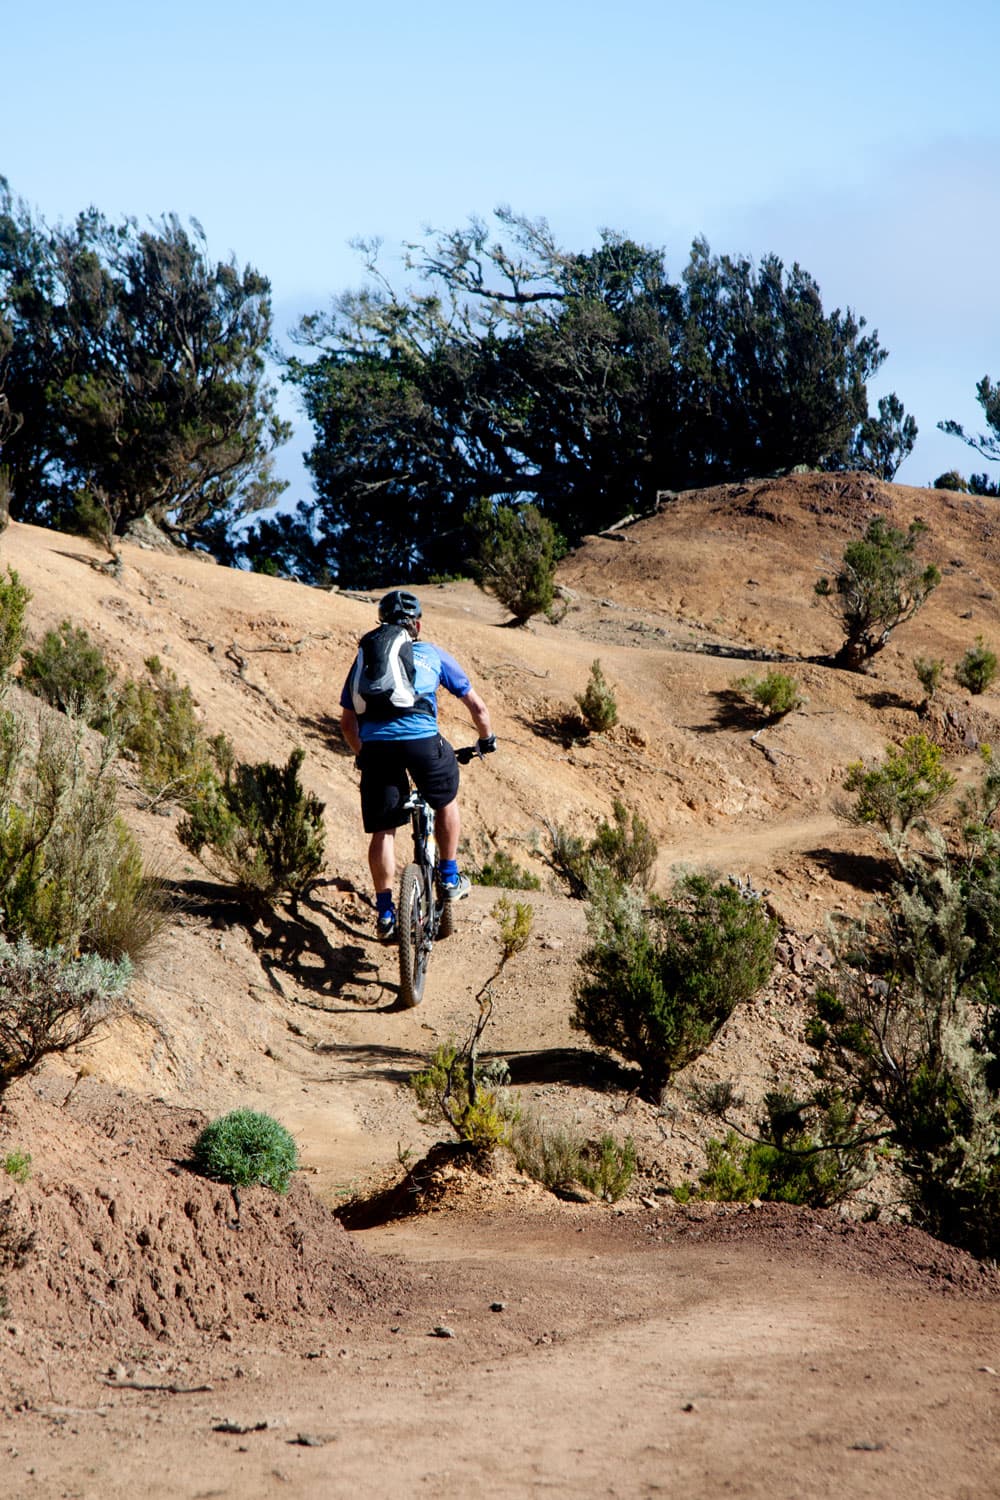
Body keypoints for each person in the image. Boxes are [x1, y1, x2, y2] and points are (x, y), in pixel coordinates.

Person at [340, 589, 495, 942]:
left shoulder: (365, 658)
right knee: (445, 798)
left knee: (384, 831)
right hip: (423, 742)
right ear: (418, 624)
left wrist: (365, 752)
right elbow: (478, 708)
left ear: (381, 624)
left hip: (377, 749)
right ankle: (449, 875)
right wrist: (486, 740)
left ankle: (384, 913)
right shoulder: (432, 654)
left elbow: (348, 724)